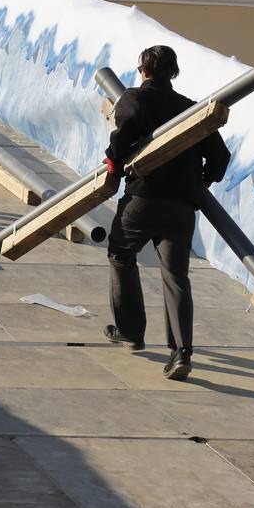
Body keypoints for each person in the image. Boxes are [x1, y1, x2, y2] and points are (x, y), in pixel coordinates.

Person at [102, 45, 230, 381]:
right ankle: (180, 353)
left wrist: (114, 160)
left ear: (143, 69)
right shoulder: (190, 109)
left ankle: (130, 331)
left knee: (120, 253)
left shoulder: (134, 99)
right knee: (175, 277)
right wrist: (201, 181)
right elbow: (220, 156)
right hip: (182, 206)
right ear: (173, 73)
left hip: (142, 198)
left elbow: (124, 129)